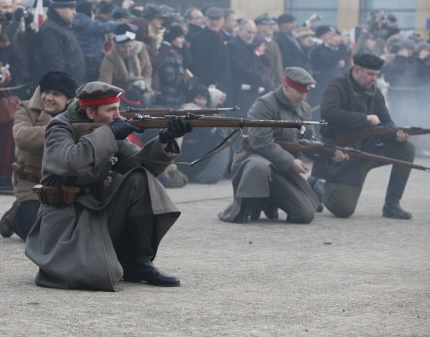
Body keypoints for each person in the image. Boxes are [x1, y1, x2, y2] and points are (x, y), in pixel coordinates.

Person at [25, 81, 192, 291]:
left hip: (98, 209)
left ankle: (139, 263)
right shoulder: (60, 126)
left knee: (140, 179)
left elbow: (142, 164)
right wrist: (109, 134)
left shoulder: (107, 129)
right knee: (99, 274)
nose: (118, 116)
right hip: (66, 217)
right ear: (90, 113)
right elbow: (69, 162)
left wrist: (165, 139)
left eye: (118, 109)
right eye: (111, 110)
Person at [219, 67, 344, 224]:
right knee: (260, 166)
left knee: (305, 214)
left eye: (306, 93)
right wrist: (290, 161)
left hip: (282, 168)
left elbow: (307, 142)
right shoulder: (264, 104)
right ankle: (247, 203)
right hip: (254, 159)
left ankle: (268, 201)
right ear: (286, 87)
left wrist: (329, 154)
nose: (304, 98)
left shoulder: (304, 109)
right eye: (300, 92)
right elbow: (260, 142)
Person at [312, 54, 416, 220]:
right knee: (343, 209)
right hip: (342, 153)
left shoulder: (376, 93)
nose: (373, 79)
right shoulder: (336, 87)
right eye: (369, 74)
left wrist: (396, 134)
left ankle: (392, 204)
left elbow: (386, 120)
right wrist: (364, 118)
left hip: (368, 149)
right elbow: (329, 113)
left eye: (375, 75)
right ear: (356, 70)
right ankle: (318, 185)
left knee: (406, 148)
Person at [0, 71, 78, 240]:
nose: (48, 97)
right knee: (35, 232)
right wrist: (60, 130)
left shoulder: (80, 115)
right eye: (46, 92)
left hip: (66, 185)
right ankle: (16, 213)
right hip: (32, 184)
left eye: (55, 94)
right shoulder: (26, 108)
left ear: (69, 99)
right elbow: (22, 137)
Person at [35, 0, 85, 84]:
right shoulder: (51, 30)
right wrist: (63, 87)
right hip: (63, 88)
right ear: (59, 8)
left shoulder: (61, 27)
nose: (75, 12)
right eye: (71, 8)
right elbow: (55, 63)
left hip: (72, 85)